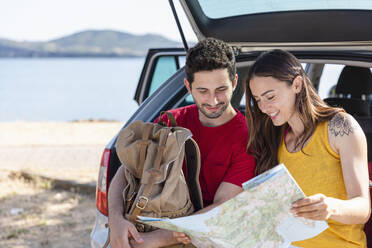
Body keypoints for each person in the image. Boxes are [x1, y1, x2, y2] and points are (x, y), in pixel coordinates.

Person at [107, 38, 256, 248]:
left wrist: (160, 238)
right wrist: (115, 220)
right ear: (188, 86)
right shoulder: (170, 121)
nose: (213, 101)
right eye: (203, 91)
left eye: (221, 89)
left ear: (234, 82)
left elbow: (222, 208)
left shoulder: (248, 138)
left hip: (205, 240)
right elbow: (127, 171)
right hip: (149, 228)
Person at [245, 49, 371, 247]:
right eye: (258, 100)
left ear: (297, 84)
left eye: (270, 97)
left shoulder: (340, 126)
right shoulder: (275, 138)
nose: (263, 108)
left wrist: (330, 207)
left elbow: (363, 208)